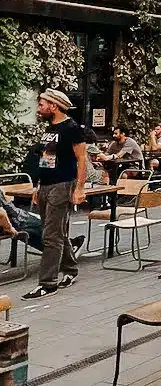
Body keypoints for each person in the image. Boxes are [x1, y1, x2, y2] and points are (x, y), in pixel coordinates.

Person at [24, 89, 88, 300]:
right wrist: (38, 185)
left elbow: (81, 159)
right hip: (46, 186)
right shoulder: (51, 129)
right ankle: (70, 270)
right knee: (55, 231)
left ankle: (47, 283)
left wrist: (79, 188)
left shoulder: (72, 129)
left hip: (62, 185)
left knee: (50, 235)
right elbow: (47, 157)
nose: (39, 107)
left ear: (54, 105)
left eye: (42, 103)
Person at [0, 190, 85, 258]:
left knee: (34, 227)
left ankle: (59, 252)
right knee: (45, 224)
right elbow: (2, 214)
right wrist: (9, 228)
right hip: (12, 220)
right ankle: (64, 252)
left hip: (12, 218)